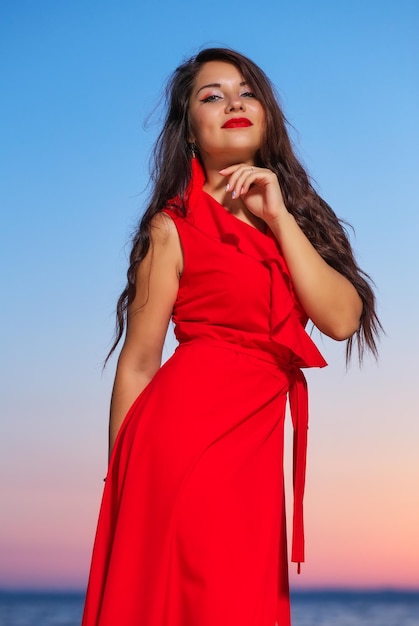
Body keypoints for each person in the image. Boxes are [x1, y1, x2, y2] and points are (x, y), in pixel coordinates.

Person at [81, 47, 381, 626]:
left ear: (267, 116)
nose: (232, 103)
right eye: (210, 96)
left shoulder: (293, 217)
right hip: (181, 445)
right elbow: (139, 363)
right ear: (190, 130)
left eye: (246, 92)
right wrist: (121, 481)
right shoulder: (172, 226)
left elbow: (341, 320)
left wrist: (278, 217)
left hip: (256, 450)